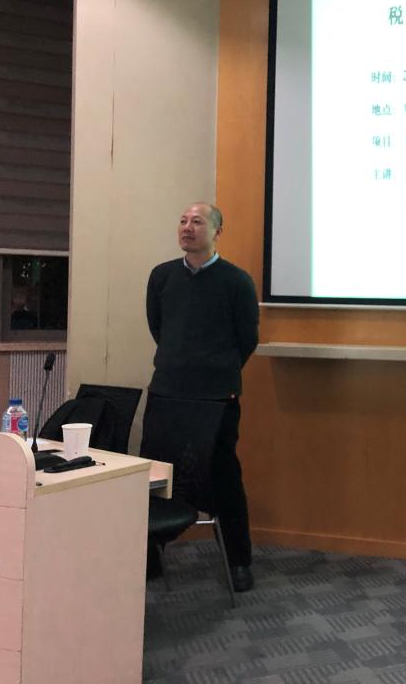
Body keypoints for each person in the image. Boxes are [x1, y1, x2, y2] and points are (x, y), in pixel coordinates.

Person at [146, 202, 259, 592]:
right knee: (155, 477)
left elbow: (247, 339)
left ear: (217, 231)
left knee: (224, 477)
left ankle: (239, 561)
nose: (187, 227)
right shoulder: (162, 276)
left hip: (216, 399)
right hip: (167, 392)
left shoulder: (236, 281)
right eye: (183, 221)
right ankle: (150, 558)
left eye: (197, 221)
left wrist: (214, 371)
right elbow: (159, 328)